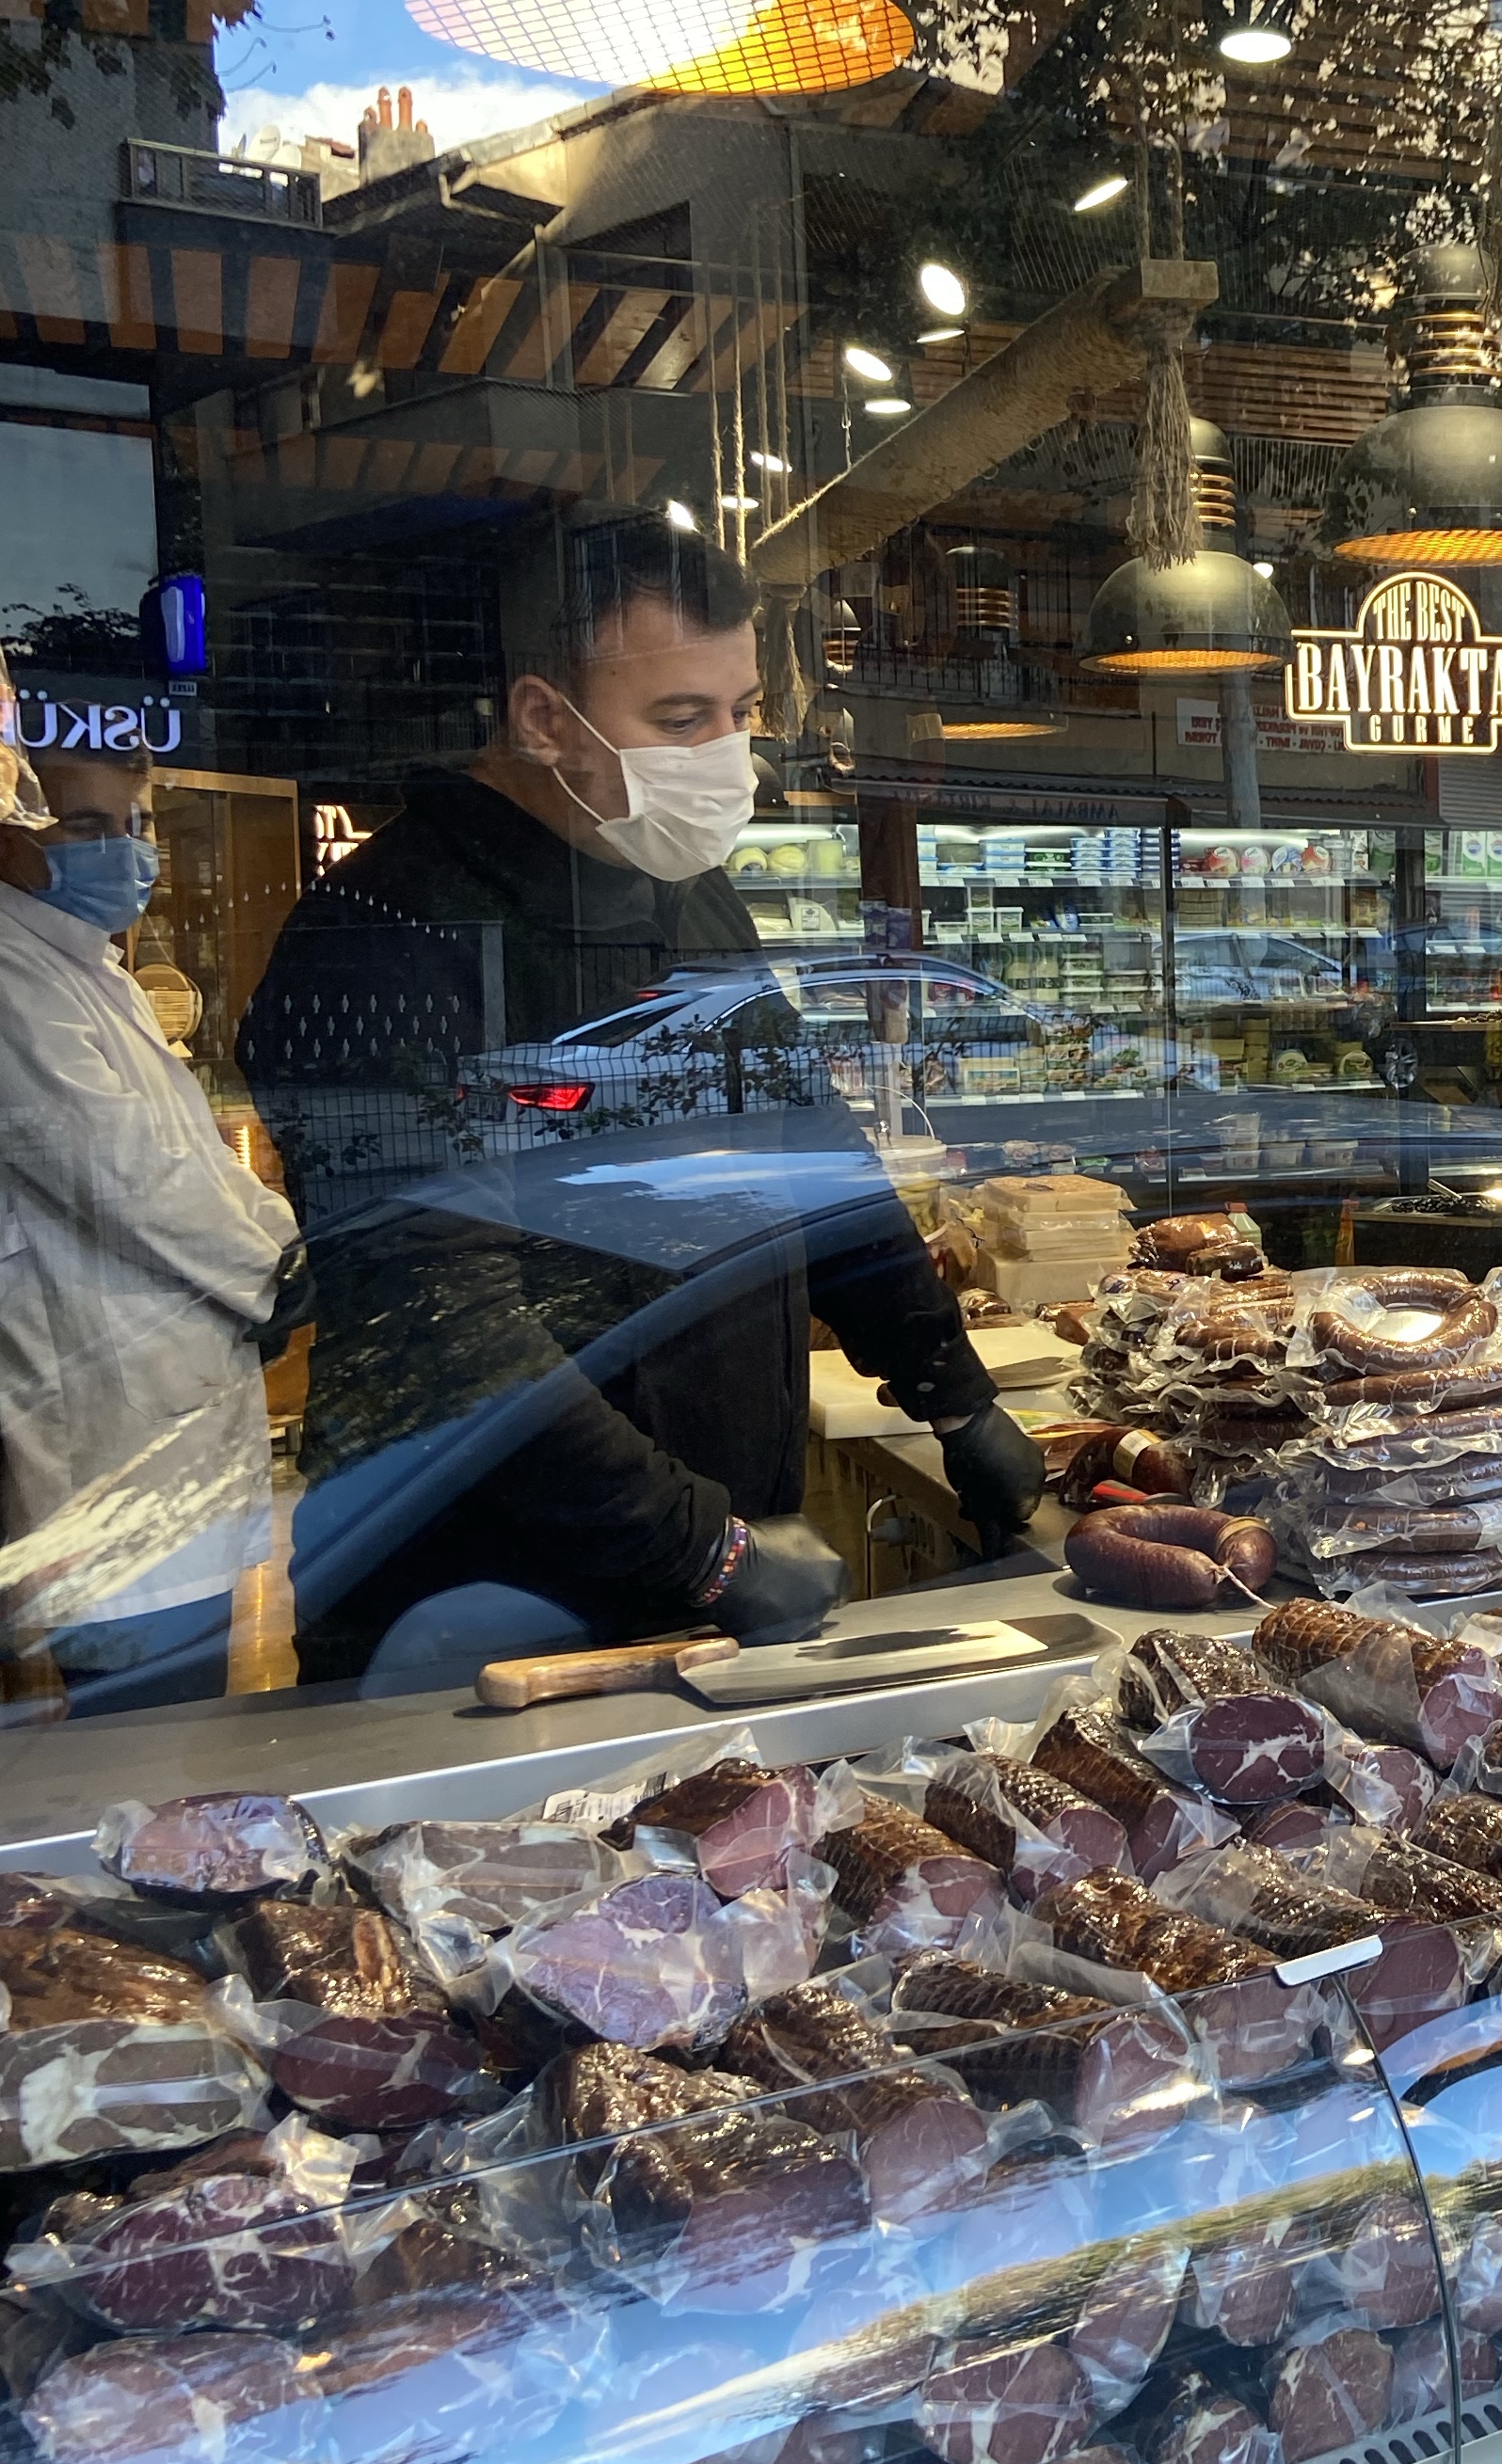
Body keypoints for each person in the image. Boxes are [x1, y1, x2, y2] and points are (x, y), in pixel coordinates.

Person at [238, 509, 1045, 1687]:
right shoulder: (378, 941)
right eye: (680, 719)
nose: (726, 756)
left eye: (740, 712)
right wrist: (702, 1549)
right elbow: (445, 1328)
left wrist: (952, 1392)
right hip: (474, 1608)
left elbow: (813, 1161)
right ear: (543, 720)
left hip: (704, 1570)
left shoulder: (686, 893)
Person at [0, 723, 306, 1713]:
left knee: (188, 1717)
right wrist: (281, 1272)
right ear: (11, 832)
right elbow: (130, 1178)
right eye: (85, 826)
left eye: (133, 825)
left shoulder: (91, 970)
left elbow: (193, 1163)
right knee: (143, 1739)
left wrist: (286, 1245)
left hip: (171, 1422)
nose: (123, 851)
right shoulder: (13, 976)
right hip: (110, 1435)